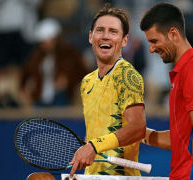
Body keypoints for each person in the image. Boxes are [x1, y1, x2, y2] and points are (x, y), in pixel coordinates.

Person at [140, 3, 193, 180]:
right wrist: (136, 133)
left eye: (154, 41)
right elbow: (177, 139)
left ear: (173, 34)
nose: (151, 49)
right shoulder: (184, 72)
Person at [69, 4, 146, 177]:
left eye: (113, 31)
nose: (105, 36)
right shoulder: (87, 82)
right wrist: (88, 150)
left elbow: (137, 128)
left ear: (124, 40)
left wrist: (94, 146)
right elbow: (96, 135)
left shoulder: (127, 75)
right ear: (90, 37)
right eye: (100, 30)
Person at [19, 18, 88, 107]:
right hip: (39, 99)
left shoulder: (69, 54)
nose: (46, 45)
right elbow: (25, 73)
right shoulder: (36, 56)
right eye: (43, 42)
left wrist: (68, 80)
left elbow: (83, 72)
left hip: (61, 98)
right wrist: (24, 90)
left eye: (49, 41)